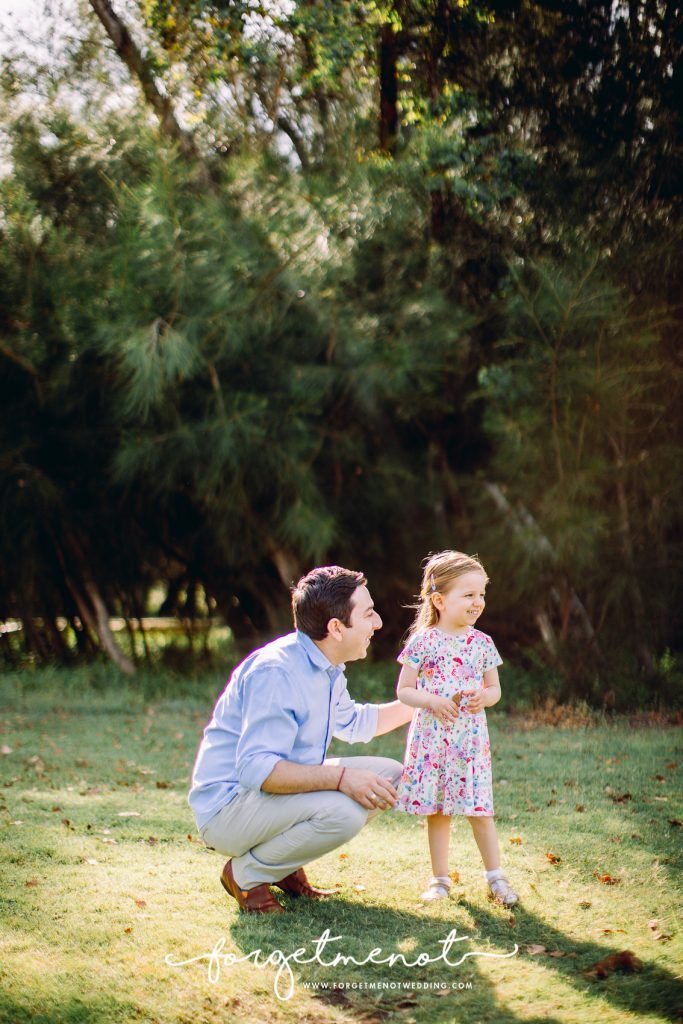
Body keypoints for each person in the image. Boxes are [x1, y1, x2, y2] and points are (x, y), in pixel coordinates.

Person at [189, 565, 413, 914]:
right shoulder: (277, 672)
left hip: (262, 799)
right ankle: (245, 875)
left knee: (390, 776)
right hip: (227, 809)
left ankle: (281, 866)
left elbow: (353, 722)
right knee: (344, 811)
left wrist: (424, 701)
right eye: (369, 614)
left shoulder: (325, 665)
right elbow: (256, 771)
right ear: (336, 628)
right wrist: (341, 779)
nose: (379, 623)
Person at [394, 550, 519, 906]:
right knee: (438, 810)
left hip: (470, 740)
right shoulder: (423, 642)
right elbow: (404, 690)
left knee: (480, 808)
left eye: (481, 594)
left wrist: (484, 696)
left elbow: (494, 689)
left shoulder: (482, 643)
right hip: (433, 740)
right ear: (439, 600)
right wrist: (431, 700)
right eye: (469, 595)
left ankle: (495, 877)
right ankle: (439, 880)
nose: (478, 602)